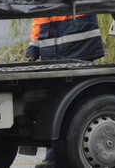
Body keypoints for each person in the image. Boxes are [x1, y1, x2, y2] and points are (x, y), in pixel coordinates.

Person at [27, 14, 105, 168]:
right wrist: (33, 47)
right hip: (55, 49)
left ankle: (59, 157)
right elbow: (40, 17)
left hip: (79, 45)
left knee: (72, 107)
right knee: (57, 106)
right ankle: (55, 157)